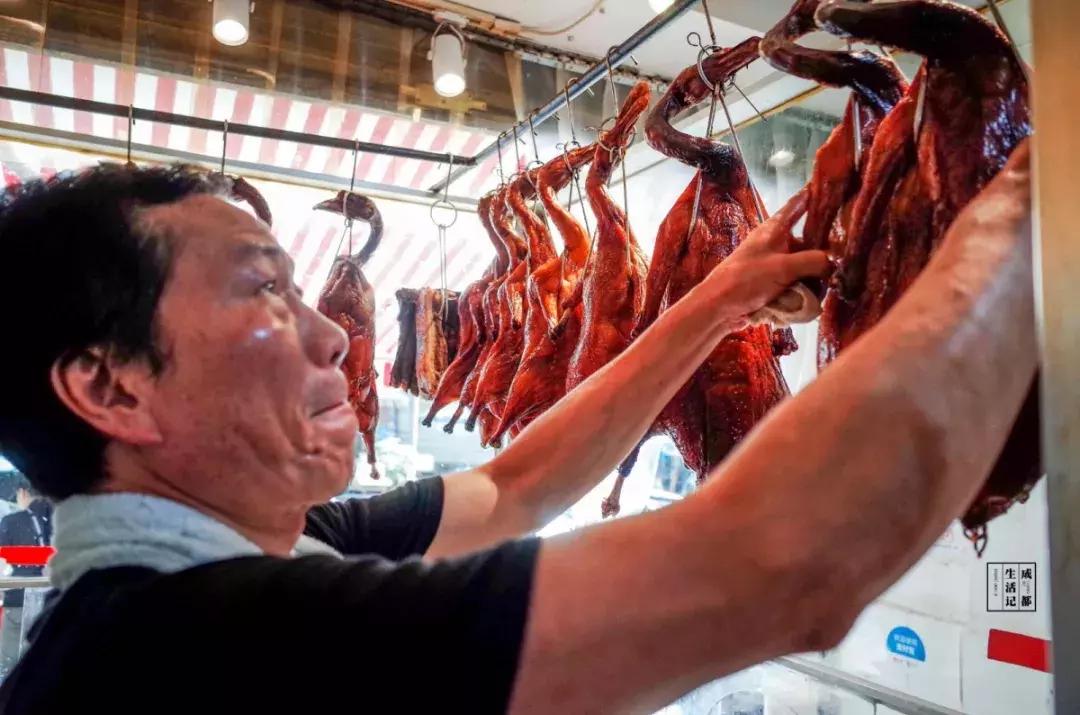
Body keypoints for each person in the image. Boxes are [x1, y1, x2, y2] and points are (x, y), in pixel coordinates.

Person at [0, 140, 1033, 714]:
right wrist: (1023, 224)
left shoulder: (253, 550)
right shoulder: (186, 651)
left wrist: (716, 302)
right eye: (264, 292)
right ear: (112, 387)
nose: (335, 339)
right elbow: (773, 564)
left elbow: (517, 488)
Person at [0, 481, 51, 676]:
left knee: (9, 666)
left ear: (22, 493)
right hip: (53, 603)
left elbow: (2, 563)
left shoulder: (12, 522)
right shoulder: (60, 521)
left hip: (17, 603)